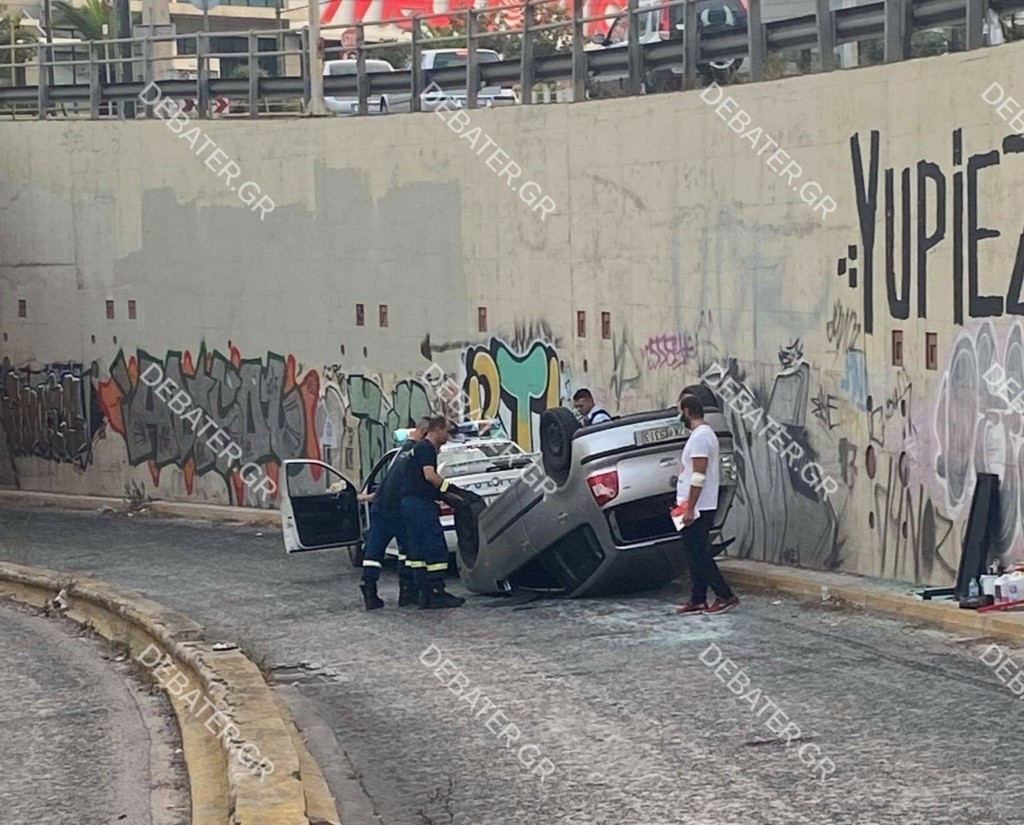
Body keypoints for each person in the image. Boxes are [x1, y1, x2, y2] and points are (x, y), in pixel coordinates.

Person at [673, 392, 739, 616]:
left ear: (688, 411)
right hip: (693, 505)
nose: (678, 415)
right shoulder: (701, 436)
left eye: (679, 411)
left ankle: (725, 595)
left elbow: (698, 475)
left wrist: (690, 508)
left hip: (699, 507)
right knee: (693, 553)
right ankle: (698, 598)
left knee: (699, 554)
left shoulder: (701, 437)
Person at [358, 418, 429, 611]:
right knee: (408, 549)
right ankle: (407, 592)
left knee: (374, 550)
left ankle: (370, 591)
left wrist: (369, 497)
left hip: (381, 507)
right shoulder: (420, 454)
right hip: (399, 509)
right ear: (425, 433)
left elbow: (389, 481)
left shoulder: (402, 452)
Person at [399, 417, 466, 609]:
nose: (448, 436)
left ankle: (424, 594)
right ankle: (437, 592)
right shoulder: (427, 448)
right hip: (420, 504)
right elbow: (430, 475)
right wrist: (450, 490)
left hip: (410, 504)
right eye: (448, 431)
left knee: (418, 551)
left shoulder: (416, 449)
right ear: (437, 430)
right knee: (435, 546)